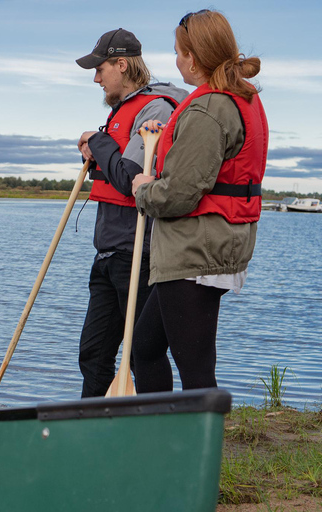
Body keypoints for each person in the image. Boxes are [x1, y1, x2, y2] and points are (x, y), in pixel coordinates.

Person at [131, 10, 268, 393]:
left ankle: (196, 450)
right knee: (146, 346)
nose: (176, 60)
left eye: (178, 52)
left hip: (196, 252)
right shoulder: (241, 98)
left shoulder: (209, 108)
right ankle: (161, 443)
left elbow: (179, 193)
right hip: (211, 246)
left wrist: (143, 188)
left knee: (195, 368)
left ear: (192, 58)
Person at [75, 28, 188, 397]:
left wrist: (98, 141)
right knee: (92, 354)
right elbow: (114, 167)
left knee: (143, 355)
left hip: (138, 252)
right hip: (108, 250)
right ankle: (88, 436)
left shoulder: (155, 108)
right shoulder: (118, 113)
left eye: (100, 68)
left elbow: (129, 179)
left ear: (121, 64)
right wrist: (97, 149)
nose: (96, 78)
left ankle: (156, 434)